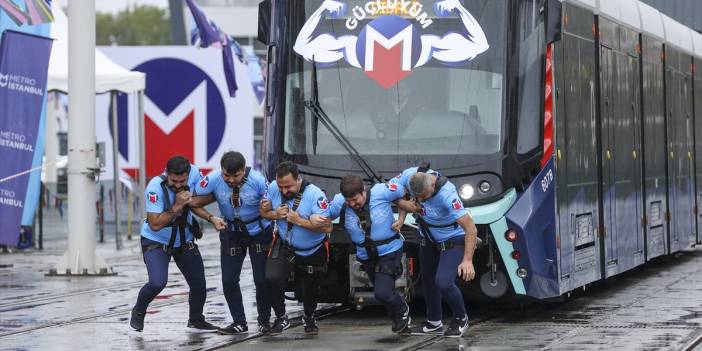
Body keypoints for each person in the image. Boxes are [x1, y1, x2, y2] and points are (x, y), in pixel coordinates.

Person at [129, 156, 218, 332]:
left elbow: (205, 196)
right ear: (166, 173)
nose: (178, 185)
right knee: (157, 282)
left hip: (184, 239)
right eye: (174, 181)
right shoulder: (155, 187)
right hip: (157, 240)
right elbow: (155, 224)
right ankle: (139, 309)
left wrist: (211, 218)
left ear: (188, 174)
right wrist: (177, 206)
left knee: (199, 283)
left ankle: (196, 320)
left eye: (182, 181)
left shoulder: (194, 173)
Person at [190, 151, 274, 334]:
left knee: (261, 280)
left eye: (235, 176)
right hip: (231, 233)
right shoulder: (213, 178)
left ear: (244, 170)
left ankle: (264, 321)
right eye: (226, 175)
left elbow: (272, 203)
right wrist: (211, 218)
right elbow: (192, 200)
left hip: (259, 232)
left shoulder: (258, 180)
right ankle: (239, 322)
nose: (230, 180)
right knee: (228, 280)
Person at [391, 166, 478, 337]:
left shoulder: (447, 195)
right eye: (417, 197)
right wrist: (402, 216)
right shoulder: (410, 176)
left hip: (452, 239)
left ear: (432, 185)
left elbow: (471, 228)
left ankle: (461, 318)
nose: (420, 200)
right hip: (428, 237)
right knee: (429, 281)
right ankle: (434, 322)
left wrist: (468, 260)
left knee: (443, 282)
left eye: (423, 197)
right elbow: (394, 194)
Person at [328, 175, 412, 334]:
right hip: (366, 255)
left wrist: (401, 218)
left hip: (389, 250)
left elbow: (404, 192)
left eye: (355, 200)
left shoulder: (381, 191)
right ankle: (399, 319)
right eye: (348, 201)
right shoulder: (340, 201)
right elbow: (325, 214)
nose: (352, 204)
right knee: (382, 292)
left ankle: (402, 310)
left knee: (382, 292)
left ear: (363, 192)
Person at [260, 161, 332, 335]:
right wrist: (274, 214)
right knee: (271, 277)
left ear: (298, 179)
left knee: (311, 289)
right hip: (285, 245)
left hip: (313, 249)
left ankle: (309, 316)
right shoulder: (273, 188)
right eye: (281, 186)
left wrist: (299, 220)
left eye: (288, 186)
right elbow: (263, 212)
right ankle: (281, 316)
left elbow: (328, 227)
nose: (284, 191)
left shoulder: (315, 195)